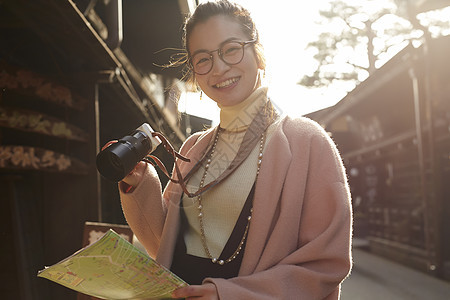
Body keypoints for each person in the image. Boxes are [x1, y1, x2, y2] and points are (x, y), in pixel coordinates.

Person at [118, 1, 352, 299]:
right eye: (203, 59)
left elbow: (325, 265)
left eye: (231, 49)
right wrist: (141, 185)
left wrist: (228, 294)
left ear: (258, 53)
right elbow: (163, 246)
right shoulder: (195, 148)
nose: (218, 68)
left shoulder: (306, 142)